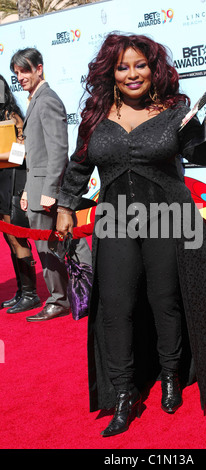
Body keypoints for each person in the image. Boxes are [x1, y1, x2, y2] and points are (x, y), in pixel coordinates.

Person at [56, 33, 206, 437]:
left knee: (165, 300)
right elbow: (80, 166)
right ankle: (122, 392)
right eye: (123, 67)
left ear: (153, 70)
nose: (132, 73)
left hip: (168, 217)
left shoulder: (175, 110)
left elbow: (200, 153)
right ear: (111, 73)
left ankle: (170, 375)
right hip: (114, 220)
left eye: (140, 65)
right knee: (115, 307)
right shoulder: (96, 116)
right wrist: (66, 206)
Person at [10, 48, 92, 322]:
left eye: (24, 70)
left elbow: (59, 150)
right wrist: (26, 191)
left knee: (55, 245)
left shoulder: (47, 100)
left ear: (39, 68)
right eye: (16, 73)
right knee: (64, 243)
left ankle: (61, 299)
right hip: (36, 187)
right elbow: (36, 153)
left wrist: (49, 191)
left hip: (48, 190)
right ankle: (82, 294)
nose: (20, 77)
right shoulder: (36, 100)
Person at [0, 74, 41, 314]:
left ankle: (30, 294)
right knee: (8, 240)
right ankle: (20, 291)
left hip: (12, 180)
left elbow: (22, 154)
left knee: (17, 238)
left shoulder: (11, 117)